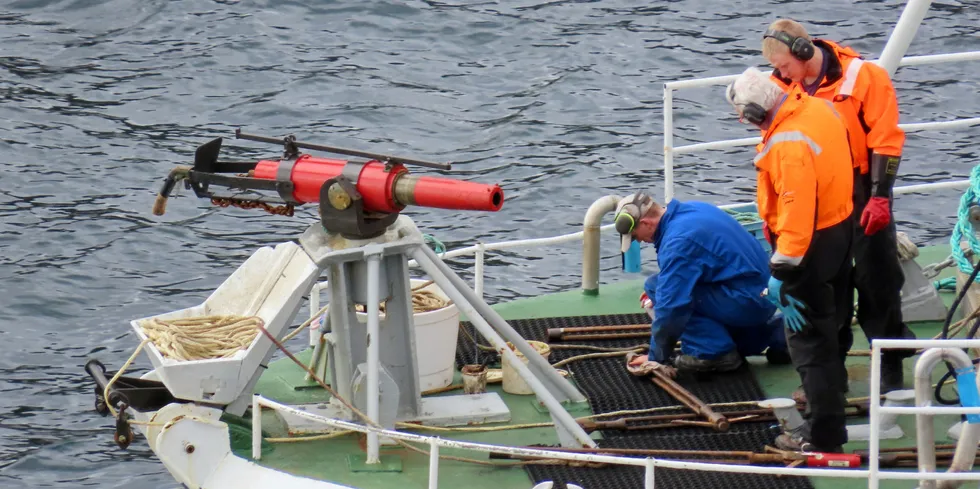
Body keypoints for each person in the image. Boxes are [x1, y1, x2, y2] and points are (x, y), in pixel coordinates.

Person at [761, 18, 915, 394]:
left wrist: (879, 195)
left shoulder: (864, 77)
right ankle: (833, 372)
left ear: (802, 51)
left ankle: (889, 366)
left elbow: (886, 139)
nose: (780, 75)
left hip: (864, 186)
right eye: (778, 69)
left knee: (877, 277)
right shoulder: (781, 84)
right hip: (818, 189)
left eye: (784, 66)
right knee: (827, 280)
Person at [725, 66, 854, 452]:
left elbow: (797, 214)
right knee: (832, 328)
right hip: (840, 232)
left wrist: (780, 271)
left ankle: (823, 436)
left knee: (810, 344)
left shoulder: (787, 143)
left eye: (741, 114)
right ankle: (834, 405)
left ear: (753, 111)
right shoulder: (819, 109)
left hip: (807, 250)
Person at [617, 192, 791, 377]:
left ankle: (713, 353)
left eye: (635, 236)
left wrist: (656, 357)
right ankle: (777, 334)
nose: (639, 241)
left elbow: (672, 306)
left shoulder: (678, 241)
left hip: (747, 303)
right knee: (666, 288)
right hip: (766, 295)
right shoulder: (696, 208)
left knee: (656, 286)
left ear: (646, 223)